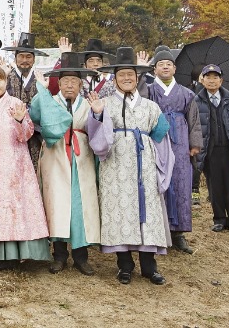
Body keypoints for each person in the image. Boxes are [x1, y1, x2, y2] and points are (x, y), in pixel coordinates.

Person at [85, 47, 173, 286]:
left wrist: (162, 169)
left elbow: (162, 136)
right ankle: (124, 265)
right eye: (121, 74)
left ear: (137, 78)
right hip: (115, 166)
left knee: (147, 213)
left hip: (144, 165)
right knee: (120, 212)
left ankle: (149, 267)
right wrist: (97, 116)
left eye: (130, 75)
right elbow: (95, 137)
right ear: (114, 78)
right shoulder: (104, 104)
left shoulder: (150, 106)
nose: (126, 78)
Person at [31, 52, 101, 276]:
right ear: (58, 83)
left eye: (74, 81)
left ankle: (81, 256)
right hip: (55, 156)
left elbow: (98, 129)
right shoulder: (49, 101)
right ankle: (59, 255)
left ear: (80, 84)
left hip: (82, 157)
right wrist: (40, 91)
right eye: (65, 81)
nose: (69, 85)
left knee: (81, 206)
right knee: (57, 204)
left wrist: (98, 114)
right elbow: (34, 116)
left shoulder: (88, 104)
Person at [0, 66, 50, 270]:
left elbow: (26, 134)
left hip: (15, 162)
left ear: (6, 81)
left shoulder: (16, 104)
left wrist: (20, 120)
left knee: (15, 206)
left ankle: (17, 253)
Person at [139, 46, 202, 255]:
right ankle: (158, 232)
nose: (165, 67)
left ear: (174, 69)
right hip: (157, 139)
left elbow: (194, 121)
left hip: (180, 141)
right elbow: (138, 101)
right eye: (160, 64)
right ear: (154, 70)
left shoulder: (187, 94)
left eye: (168, 64)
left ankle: (178, 234)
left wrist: (194, 145)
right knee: (157, 182)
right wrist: (140, 72)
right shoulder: (149, 90)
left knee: (181, 183)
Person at [193, 64, 229, 237]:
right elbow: (193, 126)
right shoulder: (196, 101)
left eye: (215, 77)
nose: (212, 80)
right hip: (209, 151)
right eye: (208, 77)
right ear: (202, 80)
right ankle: (219, 219)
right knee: (214, 186)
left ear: (221, 80)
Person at [1, 32, 48, 167]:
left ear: (34, 59)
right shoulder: (7, 77)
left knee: (34, 169)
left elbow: (47, 108)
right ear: (15, 59)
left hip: (35, 135)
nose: (24, 60)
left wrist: (43, 90)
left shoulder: (40, 78)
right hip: (11, 134)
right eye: (21, 56)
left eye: (28, 57)